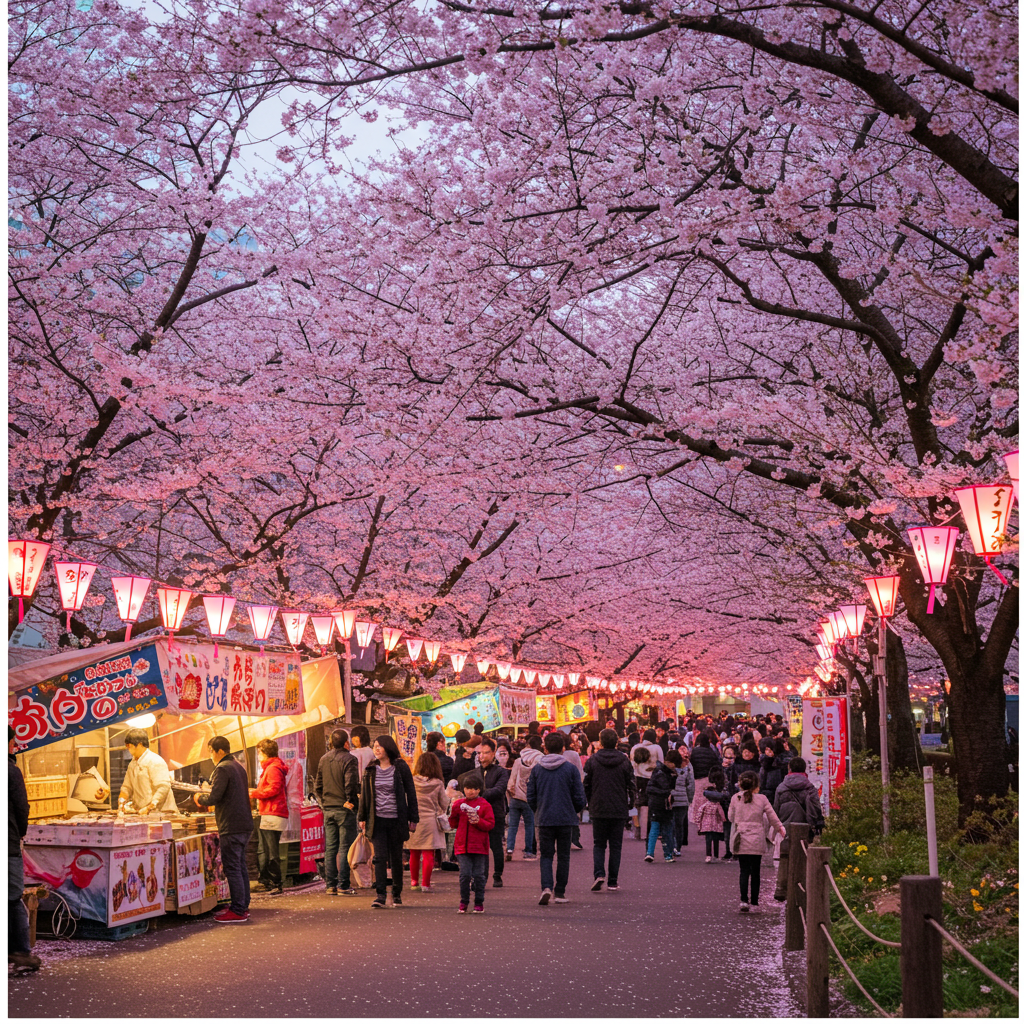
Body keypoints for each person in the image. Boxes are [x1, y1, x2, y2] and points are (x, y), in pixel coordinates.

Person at [194, 736, 254, 923]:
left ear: (219, 751)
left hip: (232, 825)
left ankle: (238, 910)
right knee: (240, 865)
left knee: (233, 867)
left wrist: (199, 798)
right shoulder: (238, 766)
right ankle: (243, 905)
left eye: (211, 750)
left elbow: (214, 797)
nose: (210, 755)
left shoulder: (222, 768)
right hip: (244, 823)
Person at [357, 734, 419, 909]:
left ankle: (397, 893)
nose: (376, 749)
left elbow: (411, 793)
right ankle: (381, 895)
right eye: (374, 746)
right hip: (376, 820)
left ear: (388, 748)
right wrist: (361, 817)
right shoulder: (371, 769)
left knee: (396, 858)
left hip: (397, 819)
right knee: (379, 857)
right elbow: (365, 795)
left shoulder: (400, 768)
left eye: (379, 746)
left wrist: (413, 818)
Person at [527, 731, 586, 905]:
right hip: (566, 818)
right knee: (563, 856)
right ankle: (559, 892)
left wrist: (538, 809)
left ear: (545, 748)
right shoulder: (570, 768)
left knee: (545, 855)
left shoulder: (537, 769)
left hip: (544, 818)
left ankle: (546, 887)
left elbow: (531, 796)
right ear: (562, 748)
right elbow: (579, 796)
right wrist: (573, 810)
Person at [583, 728, 636, 892]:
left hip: (598, 807)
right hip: (618, 807)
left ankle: (599, 874)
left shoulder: (593, 760)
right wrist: (631, 802)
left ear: (601, 742)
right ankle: (613, 881)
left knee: (599, 844)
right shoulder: (624, 760)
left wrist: (589, 802)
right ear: (617, 742)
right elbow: (631, 784)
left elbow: (586, 785)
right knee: (616, 846)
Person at [729, 771, 786, 912]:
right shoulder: (762, 799)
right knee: (755, 872)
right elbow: (772, 816)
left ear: (741, 784)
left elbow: (730, 817)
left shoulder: (735, 798)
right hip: (757, 838)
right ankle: (754, 902)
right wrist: (780, 828)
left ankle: (743, 901)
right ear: (757, 785)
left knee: (743, 871)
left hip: (741, 838)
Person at [458, 736, 509, 888]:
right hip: (477, 815)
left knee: (495, 845)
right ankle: (481, 878)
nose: (482, 756)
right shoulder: (474, 773)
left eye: (486, 753)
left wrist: (478, 794)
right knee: (481, 848)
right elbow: (463, 783)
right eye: (479, 753)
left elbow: (499, 790)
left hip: (495, 814)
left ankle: (497, 875)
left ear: (493, 753)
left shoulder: (501, 772)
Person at [772, 757, 825, 901]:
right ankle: (800, 890)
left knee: (785, 857)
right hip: (804, 828)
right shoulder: (810, 788)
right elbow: (815, 808)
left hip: (786, 828)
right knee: (802, 857)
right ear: (804, 770)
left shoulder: (781, 788)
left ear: (789, 769)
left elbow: (776, 809)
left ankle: (781, 889)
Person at [9, 728, 40, 972]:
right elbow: (21, 809)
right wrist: (19, 833)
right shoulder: (11, 771)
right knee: (12, 899)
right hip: (7, 846)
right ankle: (20, 951)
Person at [315, 728, 360, 896]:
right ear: (346, 742)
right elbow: (351, 784)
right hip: (344, 808)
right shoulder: (350, 759)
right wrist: (350, 802)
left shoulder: (324, 759)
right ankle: (343, 885)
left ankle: (330, 885)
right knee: (344, 847)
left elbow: (318, 786)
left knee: (330, 847)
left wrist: (324, 803)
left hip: (328, 809)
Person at [248, 738, 289, 895]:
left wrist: (253, 793)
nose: (258, 756)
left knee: (271, 851)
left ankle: (276, 882)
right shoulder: (272, 767)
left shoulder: (273, 768)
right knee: (264, 850)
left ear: (263, 753)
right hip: (270, 813)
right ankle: (266, 881)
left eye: (259, 752)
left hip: (273, 813)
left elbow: (274, 789)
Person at [449, 772, 494, 913]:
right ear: (463, 789)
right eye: (468, 788)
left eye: (474, 788)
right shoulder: (459, 804)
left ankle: (479, 902)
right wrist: (454, 811)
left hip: (480, 846)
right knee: (465, 875)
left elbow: (490, 824)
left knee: (479, 875)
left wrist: (478, 821)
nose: (471, 791)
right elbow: (453, 823)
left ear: (479, 789)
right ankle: (464, 901)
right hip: (462, 846)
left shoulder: (484, 805)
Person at [407, 751, 450, 894]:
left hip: (414, 821)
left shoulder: (412, 781)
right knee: (428, 853)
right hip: (430, 821)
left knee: (414, 852)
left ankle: (414, 882)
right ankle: (425, 884)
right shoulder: (437, 783)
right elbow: (444, 804)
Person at [118, 728, 178, 814]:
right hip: (143, 813)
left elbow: (163, 787)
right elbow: (127, 787)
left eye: (130, 746)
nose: (128, 749)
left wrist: (150, 807)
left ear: (139, 744)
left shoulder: (155, 760)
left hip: (162, 812)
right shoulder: (132, 764)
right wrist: (121, 802)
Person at [506, 734, 542, 861]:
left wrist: (512, 794)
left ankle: (509, 848)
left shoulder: (517, 761)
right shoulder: (540, 761)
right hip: (529, 799)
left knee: (513, 825)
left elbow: (511, 782)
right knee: (529, 825)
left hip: (515, 797)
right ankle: (528, 851)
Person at [644, 752, 678, 863]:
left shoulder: (660, 771)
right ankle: (667, 854)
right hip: (663, 805)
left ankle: (650, 853)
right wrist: (666, 792)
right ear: (669, 762)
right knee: (666, 830)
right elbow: (654, 788)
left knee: (655, 829)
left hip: (656, 804)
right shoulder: (663, 773)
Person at [695, 766, 728, 862]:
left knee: (708, 840)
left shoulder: (705, 805)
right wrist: (724, 819)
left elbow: (699, 812)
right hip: (716, 825)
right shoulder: (718, 805)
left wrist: (698, 822)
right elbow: (722, 814)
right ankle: (716, 855)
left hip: (706, 826)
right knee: (716, 840)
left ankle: (708, 855)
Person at [561, 737, 586, 850]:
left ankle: (563, 838)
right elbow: (580, 772)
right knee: (573, 812)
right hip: (571, 787)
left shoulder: (550, 756)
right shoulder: (573, 755)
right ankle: (574, 837)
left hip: (558, 788)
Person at [668, 747, 694, 853]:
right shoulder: (687, 769)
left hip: (671, 800)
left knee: (671, 823)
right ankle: (677, 847)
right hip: (683, 800)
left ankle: (671, 845)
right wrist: (689, 798)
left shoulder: (668, 771)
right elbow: (691, 785)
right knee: (679, 824)